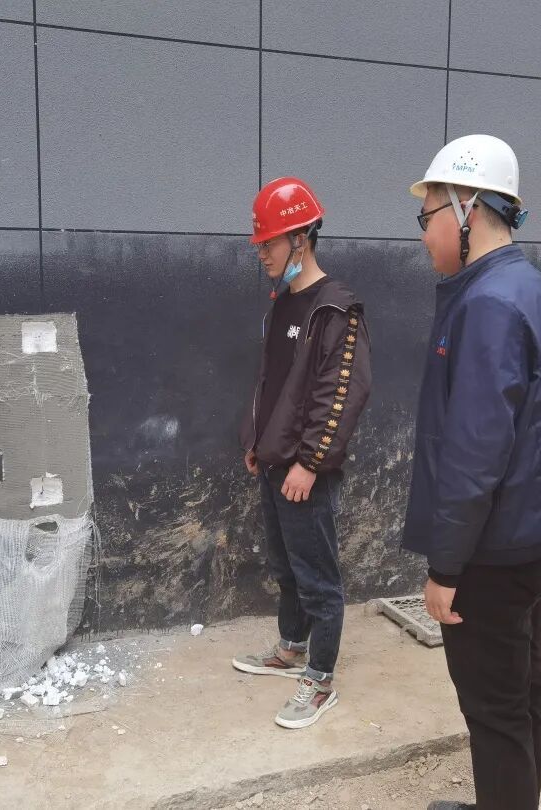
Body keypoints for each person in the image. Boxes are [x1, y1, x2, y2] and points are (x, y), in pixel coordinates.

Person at [401, 136, 541, 810]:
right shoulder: (533, 288)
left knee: (493, 707)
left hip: (495, 545)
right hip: (537, 533)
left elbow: (475, 452)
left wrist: (445, 569)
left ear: (466, 209)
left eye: (427, 215)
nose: (423, 233)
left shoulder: (487, 304)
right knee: (520, 687)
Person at [233, 177, 372, 728]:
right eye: (260, 244)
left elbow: (340, 395)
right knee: (285, 566)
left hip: (303, 470)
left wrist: (310, 463)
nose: (262, 253)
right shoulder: (284, 303)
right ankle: (291, 649)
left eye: (268, 242)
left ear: (300, 238)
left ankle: (320, 679)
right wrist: (255, 442)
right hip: (274, 463)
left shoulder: (335, 308)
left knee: (318, 577)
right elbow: (269, 383)